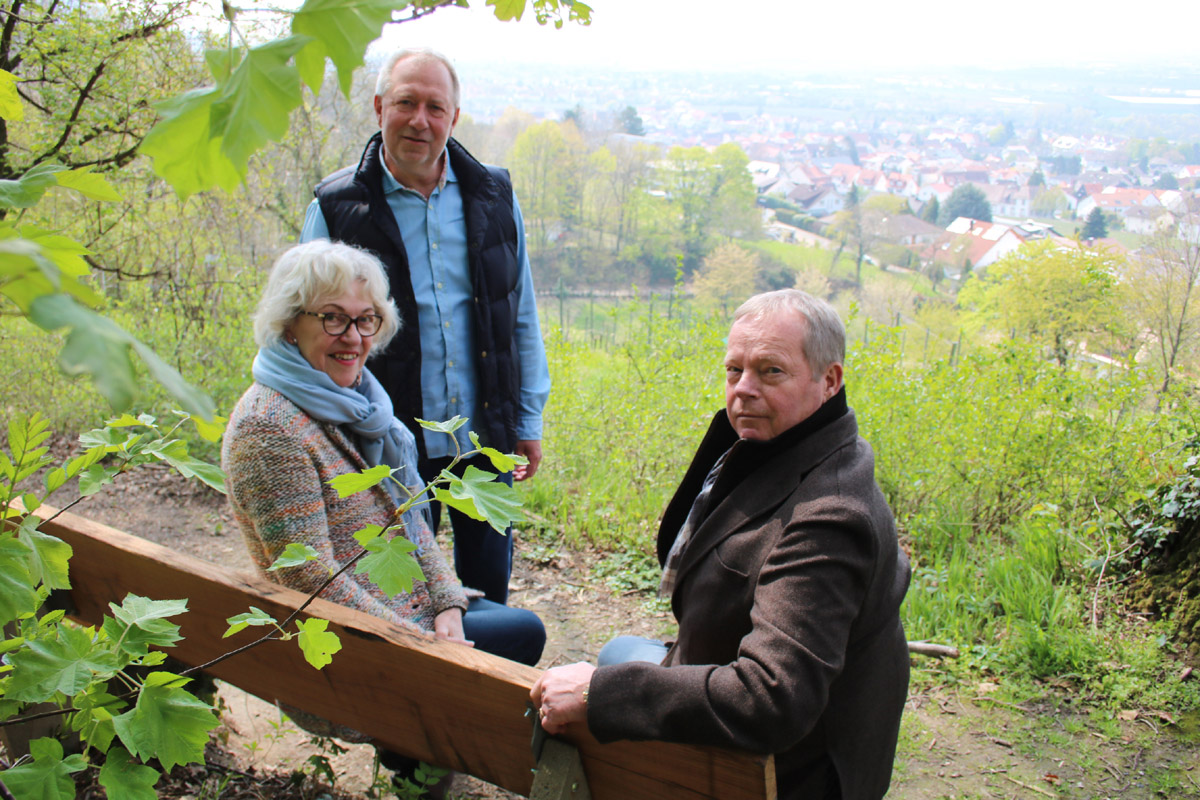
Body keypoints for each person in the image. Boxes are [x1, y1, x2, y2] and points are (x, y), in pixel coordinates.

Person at [530, 289, 911, 800]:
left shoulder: (831, 516)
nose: (743, 390)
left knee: (606, 676)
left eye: (770, 371)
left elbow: (770, 700)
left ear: (829, 380)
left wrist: (598, 693)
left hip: (791, 773)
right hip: (717, 674)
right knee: (619, 651)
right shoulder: (789, 444)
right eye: (735, 371)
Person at [222, 240, 545, 779]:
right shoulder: (269, 428)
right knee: (519, 635)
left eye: (366, 319)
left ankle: (422, 749)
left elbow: (409, 518)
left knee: (512, 630)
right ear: (288, 325)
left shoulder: (357, 401)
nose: (353, 338)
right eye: (332, 319)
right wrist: (414, 641)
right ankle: (416, 753)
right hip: (348, 641)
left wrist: (445, 603)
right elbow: (308, 575)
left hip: (399, 607)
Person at [300, 47, 550, 605]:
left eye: (435, 107)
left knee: (489, 591)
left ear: (453, 118)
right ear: (378, 107)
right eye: (406, 103)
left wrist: (527, 418)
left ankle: (481, 689)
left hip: (483, 434)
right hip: (384, 438)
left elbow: (522, 314)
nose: (420, 120)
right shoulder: (338, 207)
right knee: (399, 592)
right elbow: (305, 332)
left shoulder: (493, 196)